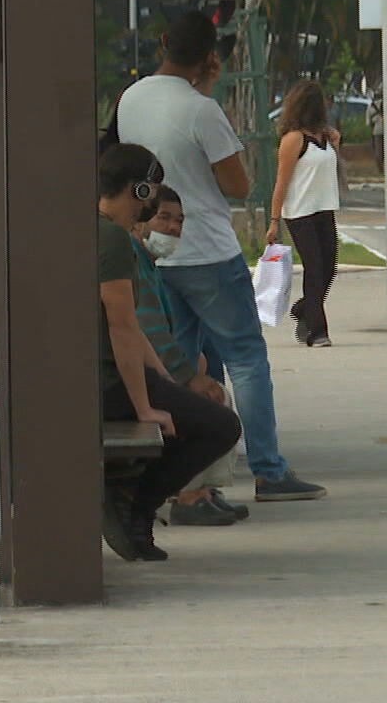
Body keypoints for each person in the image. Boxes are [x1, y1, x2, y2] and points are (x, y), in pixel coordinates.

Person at [116, 12, 326, 502]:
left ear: (165, 41)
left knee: (187, 362)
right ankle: (269, 470)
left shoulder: (131, 100)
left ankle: (196, 481)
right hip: (207, 248)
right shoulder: (201, 110)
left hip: (156, 248)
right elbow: (238, 184)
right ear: (210, 57)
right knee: (246, 358)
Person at [95, 145, 241, 559]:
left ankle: (133, 506)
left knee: (191, 412)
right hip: (109, 383)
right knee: (221, 427)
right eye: (151, 191)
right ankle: (135, 503)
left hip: (103, 377)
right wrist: (145, 405)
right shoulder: (112, 239)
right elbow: (121, 326)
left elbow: (132, 329)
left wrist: (162, 380)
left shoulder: (102, 232)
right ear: (138, 189)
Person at [135, 188, 246, 525]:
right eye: (163, 218)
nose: (172, 228)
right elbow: (149, 333)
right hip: (136, 380)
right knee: (212, 406)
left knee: (214, 393)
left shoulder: (151, 266)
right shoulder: (135, 264)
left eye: (179, 221)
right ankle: (187, 495)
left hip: (150, 374)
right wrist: (186, 377)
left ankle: (204, 490)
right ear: (142, 220)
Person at [268, 80, 342, 347]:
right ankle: (317, 331)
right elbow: (281, 182)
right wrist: (274, 221)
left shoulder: (327, 137)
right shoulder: (293, 140)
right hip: (299, 212)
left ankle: (304, 309)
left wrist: (334, 141)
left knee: (328, 269)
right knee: (314, 268)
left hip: (324, 208)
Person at [368, 88, 387, 171]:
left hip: (377, 131)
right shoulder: (386, 104)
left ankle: (381, 169)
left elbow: (369, 123)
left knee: (378, 151)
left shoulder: (370, 107)